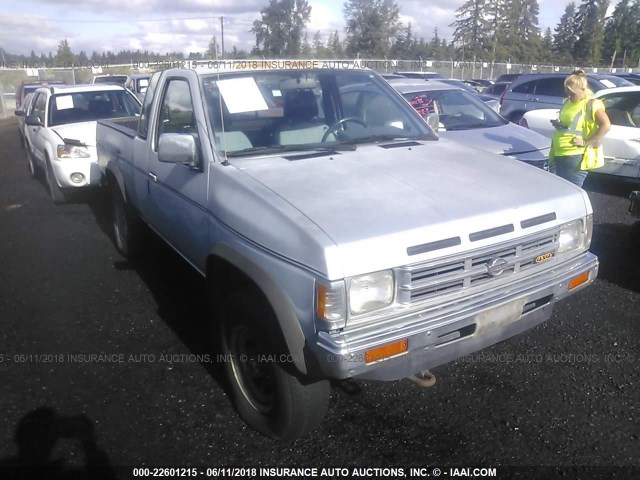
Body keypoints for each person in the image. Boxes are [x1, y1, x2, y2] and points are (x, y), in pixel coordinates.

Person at [548, 70, 611, 187]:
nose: (569, 96)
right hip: (559, 151)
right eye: (567, 92)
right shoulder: (568, 102)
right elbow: (571, 125)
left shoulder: (591, 104)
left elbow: (606, 125)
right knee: (559, 188)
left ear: (582, 90)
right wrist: (559, 125)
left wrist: (586, 142)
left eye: (572, 93)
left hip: (575, 155)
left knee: (570, 191)